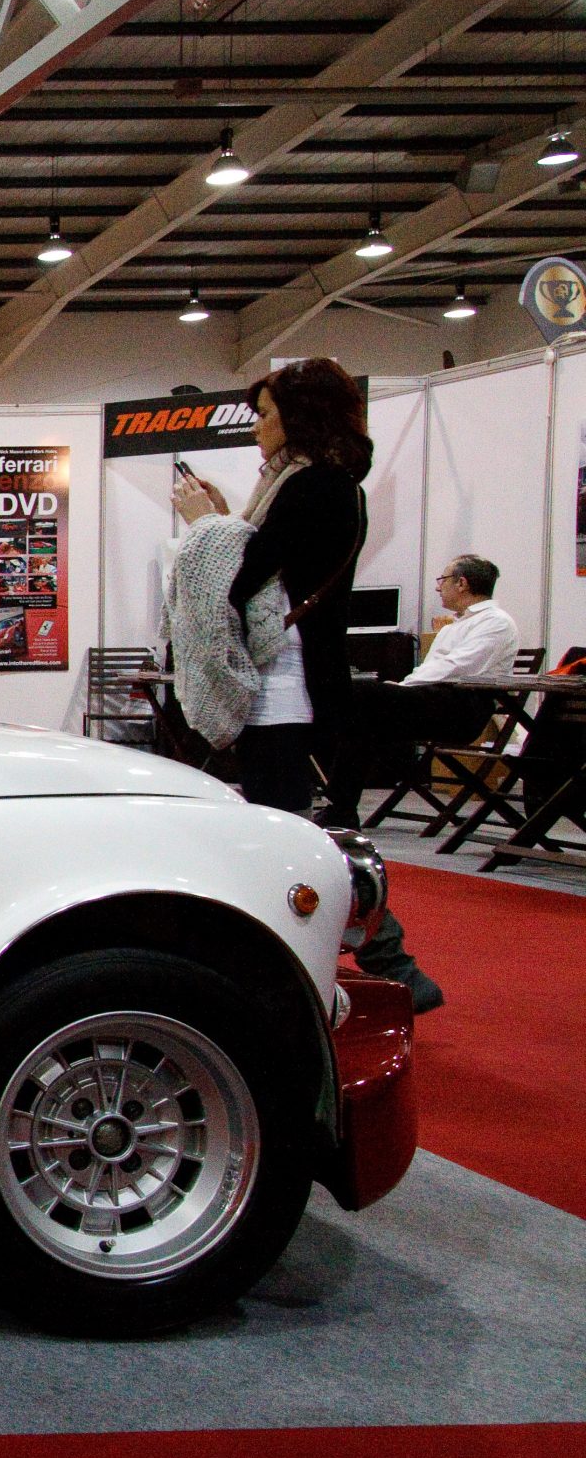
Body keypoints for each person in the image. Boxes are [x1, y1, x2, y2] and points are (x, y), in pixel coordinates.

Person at [173, 357, 442, 1011]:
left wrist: (206, 527)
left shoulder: (312, 486)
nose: (257, 428)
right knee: (295, 828)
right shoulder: (322, 485)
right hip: (291, 681)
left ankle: (378, 963)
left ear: (300, 417)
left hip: (285, 685)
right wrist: (224, 521)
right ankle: (386, 962)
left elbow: (243, 577)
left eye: (266, 414)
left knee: (289, 831)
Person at [325, 554, 520, 827]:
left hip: (462, 708)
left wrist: (403, 687)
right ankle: (340, 807)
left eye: (443, 580)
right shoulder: (456, 625)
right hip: (435, 699)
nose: (439, 587)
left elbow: (457, 667)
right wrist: (403, 688)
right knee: (360, 717)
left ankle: (338, 802)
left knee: (361, 695)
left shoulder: (495, 622)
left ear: (461, 583)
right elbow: (434, 669)